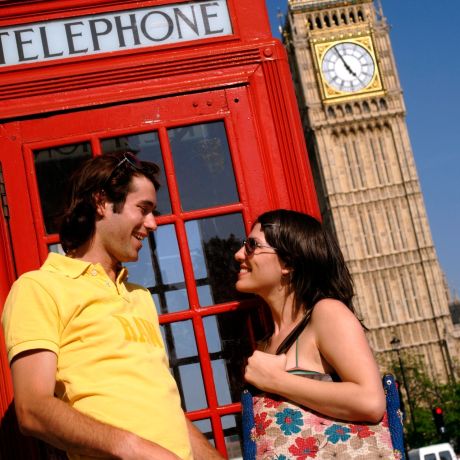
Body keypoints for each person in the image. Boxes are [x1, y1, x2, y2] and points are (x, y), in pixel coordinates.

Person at [2, 152, 222, 460]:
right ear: (102, 201)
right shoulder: (40, 287)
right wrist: (134, 449)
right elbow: (32, 409)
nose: (153, 223)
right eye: (143, 209)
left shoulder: (139, 297)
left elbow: (165, 409)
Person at [235, 209, 396, 459]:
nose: (239, 254)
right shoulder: (266, 342)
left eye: (252, 245)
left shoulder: (327, 313)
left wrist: (277, 380)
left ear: (288, 263)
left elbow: (370, 402)